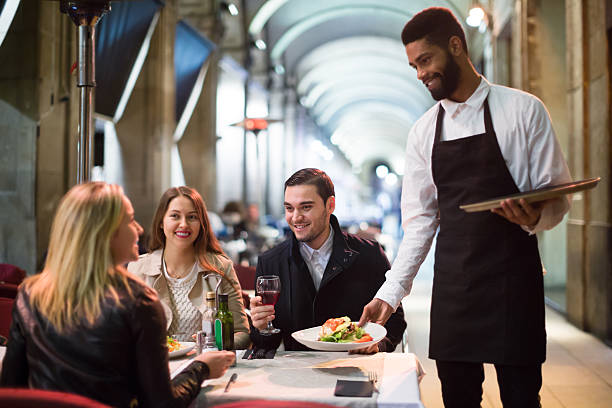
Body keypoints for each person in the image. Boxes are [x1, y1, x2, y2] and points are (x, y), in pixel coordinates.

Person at [358, 7, 571, 408]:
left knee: (523, 398)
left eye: (426, 60)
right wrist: (391, 293)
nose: (420, 74)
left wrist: (536, 217)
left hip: (515, 282)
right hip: (455, 287)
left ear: (456, 46)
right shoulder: (423, 132)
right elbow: (420, 223)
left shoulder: (523, 110)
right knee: (457, 398)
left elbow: (558, 196)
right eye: (413, 66)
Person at [0, 182, 235, 407]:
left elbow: (12, 390)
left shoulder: (30, 295)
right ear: (106, 233)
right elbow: (162, 404)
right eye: (131, 220)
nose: (140, 229)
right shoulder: (139, 303)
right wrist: (201, 368)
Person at [250, 168, 406, 352]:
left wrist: (377, 345)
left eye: (306, 207)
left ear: (330, 205)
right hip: (298, 374)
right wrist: (260, 328)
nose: (296, 217)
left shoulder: (370, 255)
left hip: (356, 368)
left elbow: (395, 324)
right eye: (289, 208)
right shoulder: (271, 262)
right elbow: (267, 346)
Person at [128, 186, 250, 349]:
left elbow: (242, 333)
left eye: (192, 217)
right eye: (175, 216)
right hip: (155, 368)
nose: (184, 224)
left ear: (201, 224)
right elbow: (127, 333)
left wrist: (213, 345)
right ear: (161, 223)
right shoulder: (138, 268)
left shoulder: (221, 268)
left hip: (206, 367)